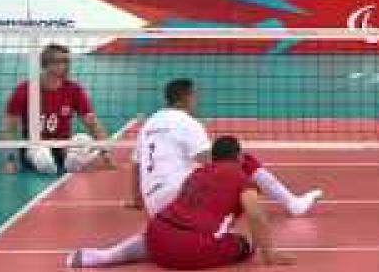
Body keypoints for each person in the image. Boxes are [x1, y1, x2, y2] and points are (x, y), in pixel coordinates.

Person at [69, 136, 290, 269]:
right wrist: (268, 253)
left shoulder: (197, 173)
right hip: (190, 249)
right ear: (239, 156)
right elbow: (255, 213)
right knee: (243, 245)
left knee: (161, 236)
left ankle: (107, 256)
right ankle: (241, 247)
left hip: (157, 233)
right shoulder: (241, 178)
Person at [129, 78, 323, 217]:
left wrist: (139, 201)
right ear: (186, 98)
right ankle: (292, 204)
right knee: (242, 160)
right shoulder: (187, 122)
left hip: (154, 207)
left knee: (225, 165)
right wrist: (239, 165)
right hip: (178, 201)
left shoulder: (148, 124)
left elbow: (136, 167)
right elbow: (210, 160)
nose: (197, 100)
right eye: (195, 96)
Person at [0, 44, 110, 175]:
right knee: (44, 159)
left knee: (84, 140)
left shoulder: (74, 90)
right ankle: (53, 168)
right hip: (35, 146)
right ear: (46, 65)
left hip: (63, 147)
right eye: (60, 62)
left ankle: (69, 166)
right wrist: (9, 160)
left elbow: (93, 125)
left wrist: (105, 153)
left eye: (67, 61)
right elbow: (9, 128)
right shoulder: (24, 90)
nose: (66, 66)